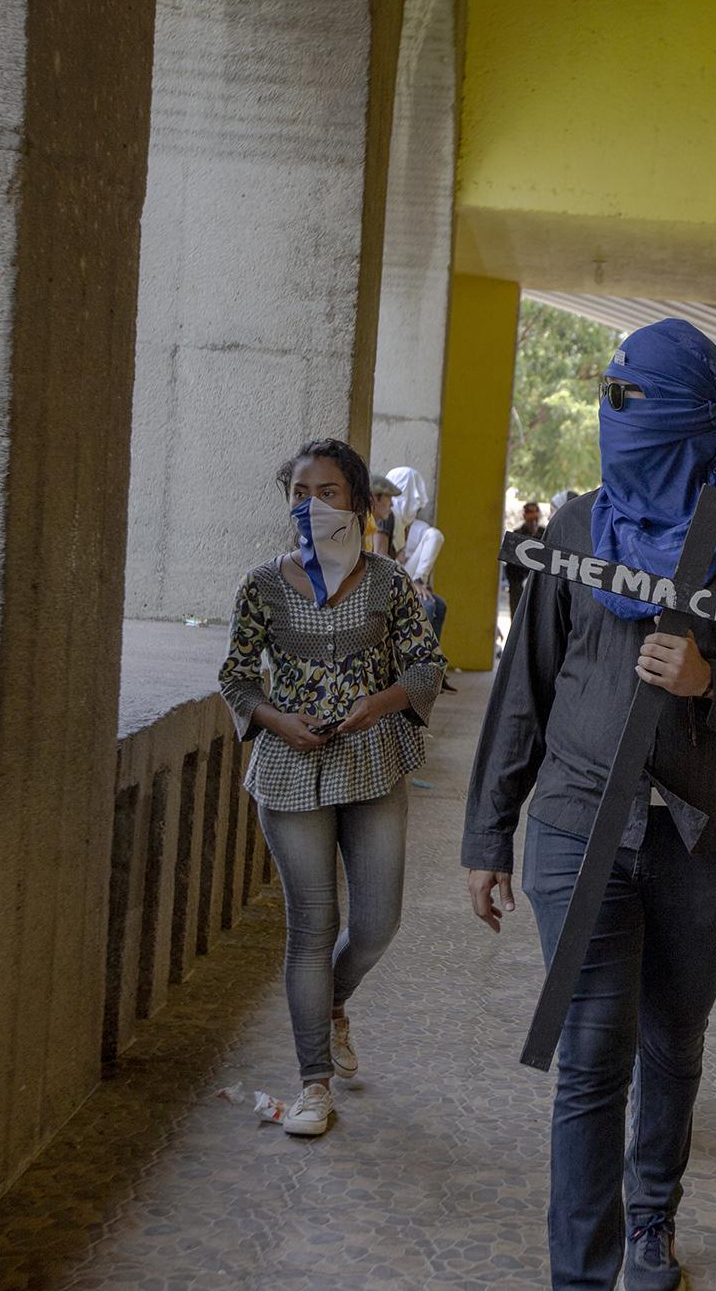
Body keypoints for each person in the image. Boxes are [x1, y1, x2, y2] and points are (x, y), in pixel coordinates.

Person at [462, 319, 716, 1290]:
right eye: (611, 395)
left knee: (672, 1038)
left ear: (691, 415)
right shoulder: (577, 529)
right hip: (576, 820)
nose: (616, 416)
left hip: (703, 840)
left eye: (637, 400)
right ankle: (581, 1275)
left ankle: (650, 1225)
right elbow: (526, 684)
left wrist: (714, 679)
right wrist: (488, 830)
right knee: (592, 1053)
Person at [218, 438, 447, 1137]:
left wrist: (372, 706)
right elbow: (235, 677)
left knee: (377, 923)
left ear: (354, 499)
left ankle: (334, 1003)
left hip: (374, 762)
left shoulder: (386, 583)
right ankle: (313, 1082)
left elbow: (426, 665)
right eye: (298, 492)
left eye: (326, 491)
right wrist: (277, 720)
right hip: (289, 774)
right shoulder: (261, 584)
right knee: (311, 928)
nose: (311, 505)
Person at [385, 465, 448, 642]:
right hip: (388, 579)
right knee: (426, 607)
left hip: (402, 575)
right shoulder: (387, 517)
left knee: (439, 606)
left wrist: (418, 580)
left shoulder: (404, 522)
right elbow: (382, 560)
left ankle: (431, 663)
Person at [505, 500, 545, 619]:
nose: (533, 523)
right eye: (530, 520)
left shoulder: (545, 535)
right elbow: (510, 570)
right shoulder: (517, 535)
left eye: (535, 520)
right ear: (524, 517)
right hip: (520, 586)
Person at [367, 472, 402, 556]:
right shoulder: (356, 524)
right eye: (389, 498)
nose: (392, 504)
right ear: (374, 498)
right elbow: (379, 556)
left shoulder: (369, 523)